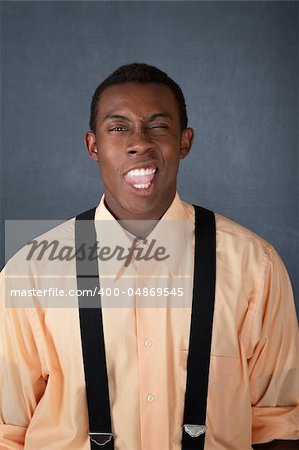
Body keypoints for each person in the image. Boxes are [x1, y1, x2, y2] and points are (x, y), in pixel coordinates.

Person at [0, 63, 298, 450]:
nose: (139, 142)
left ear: (185, 141)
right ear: (94, 146)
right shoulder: (31, 273)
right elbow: (8, 432)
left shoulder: (255, 266)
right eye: (118, 127)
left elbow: (280, 425)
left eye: (157, 126)